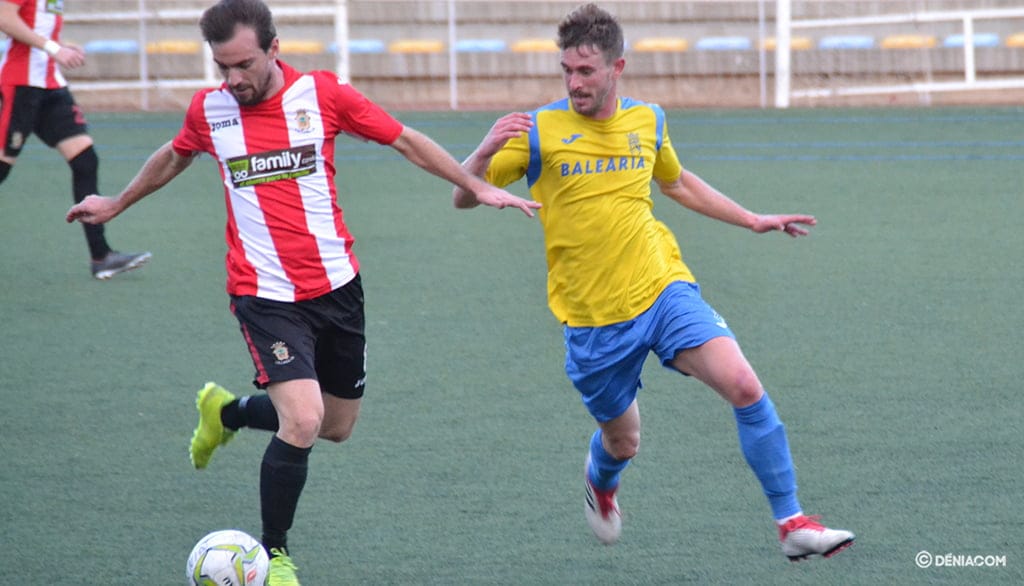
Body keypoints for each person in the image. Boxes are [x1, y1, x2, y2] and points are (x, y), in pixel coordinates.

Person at [65, 0, 539, 584]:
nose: (233, 78)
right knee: (304, 420)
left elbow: (406, 140)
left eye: (244, 64)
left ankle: (226, 412)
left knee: (335, 425)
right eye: (222, 66)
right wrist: (116, 203)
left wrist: (473, 184)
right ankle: (274, 555)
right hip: (263, 294)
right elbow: (174, 155)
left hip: (337, 287)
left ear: (274, 49)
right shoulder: (209, 110)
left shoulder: (323, 95)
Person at [453, 3, 854, 561]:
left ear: (617, 68)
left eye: (586, 70)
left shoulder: (648, 120)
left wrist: (751, 219)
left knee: (743, 384)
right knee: (623, 441)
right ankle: (601, 480)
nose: (574, 82)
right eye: (567, 70)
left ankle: (792, 524)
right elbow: (463, 195)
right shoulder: (537, 130)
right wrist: (483, 151)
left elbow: (677, 182)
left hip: (662, 286)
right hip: (592, 318)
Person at [0, 0, 150, 279]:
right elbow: (4, 18)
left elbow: (37, 24)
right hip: (21, 84)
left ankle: (101, 256)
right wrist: (54, 48)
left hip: (50, 84)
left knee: (85, 161)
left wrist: (61, 45)